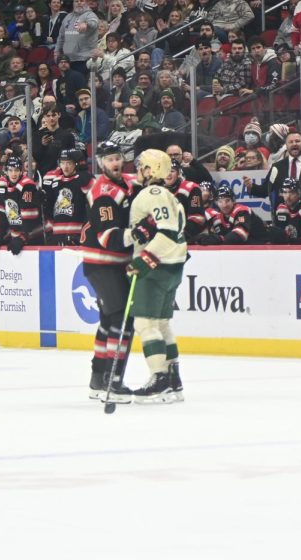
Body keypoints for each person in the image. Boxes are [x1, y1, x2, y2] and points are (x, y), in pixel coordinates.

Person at [121, 149, 186, 404]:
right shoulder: (169, 195)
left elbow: (168, 232)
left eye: (141, 166)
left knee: (145, 324)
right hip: (173, 264)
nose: (138, 170)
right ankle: (173, 380)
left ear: (150, 170)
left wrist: (145, 260)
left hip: (157, 267)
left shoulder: (152, 194)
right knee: (161, 324)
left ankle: (159, 378)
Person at [79, 141, 139, 403]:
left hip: (112, 264)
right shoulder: (104, 192)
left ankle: (98, 378)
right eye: (110, 159)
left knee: (108, 321)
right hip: (103, 263)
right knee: (121, 321)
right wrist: (139, 233)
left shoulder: (125, 181)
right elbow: (108, 237)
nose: (116, 163)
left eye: (118, 158)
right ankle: (113, 382)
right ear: (101, 163)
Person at [42, 147, 90, 245]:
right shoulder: (55, 181)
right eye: (63, 163)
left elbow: (92, 207)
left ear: (75, 164)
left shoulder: (83, 179)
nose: (65, 167)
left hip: (77, 235)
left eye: (69, 163)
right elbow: (49, 208)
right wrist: (50, 231)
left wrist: (84, 233)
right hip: (56, 235)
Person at [269, 178, 301, 245]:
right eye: (285, 192)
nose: (288, 196)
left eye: (292, 192)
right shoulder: (281, 209)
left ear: (299, 193)